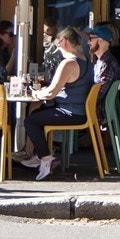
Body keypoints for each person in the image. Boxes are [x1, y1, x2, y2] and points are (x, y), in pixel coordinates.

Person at [19, 27, 95, 180]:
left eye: (57, 43)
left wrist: (34, 93)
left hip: (71, 113)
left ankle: (46, 159)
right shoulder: (85, 60)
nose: (56, 47)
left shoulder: (68, 64)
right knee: (36, 113)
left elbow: (51, 93)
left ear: (65, 42)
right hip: (80, 111)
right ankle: (39, 155)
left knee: (31, 121)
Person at [87, 25, 120, 90]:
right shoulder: (105, 60)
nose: (88, 42)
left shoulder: (106, 65)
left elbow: (99, 95)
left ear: (100, 40)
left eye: (90, 39)